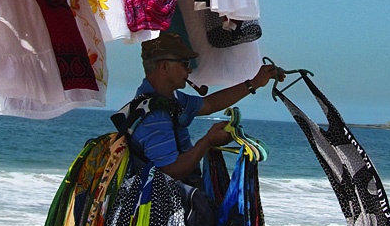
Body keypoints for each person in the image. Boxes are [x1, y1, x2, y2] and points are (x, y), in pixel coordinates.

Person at [121, 32, 282, 186]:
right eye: (184, 64)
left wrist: (254, 83)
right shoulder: (154, 115)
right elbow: (170, 172)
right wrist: (207, 141)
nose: (189, 70)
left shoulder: (171, 100)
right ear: (164, 66)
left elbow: (209, 104)